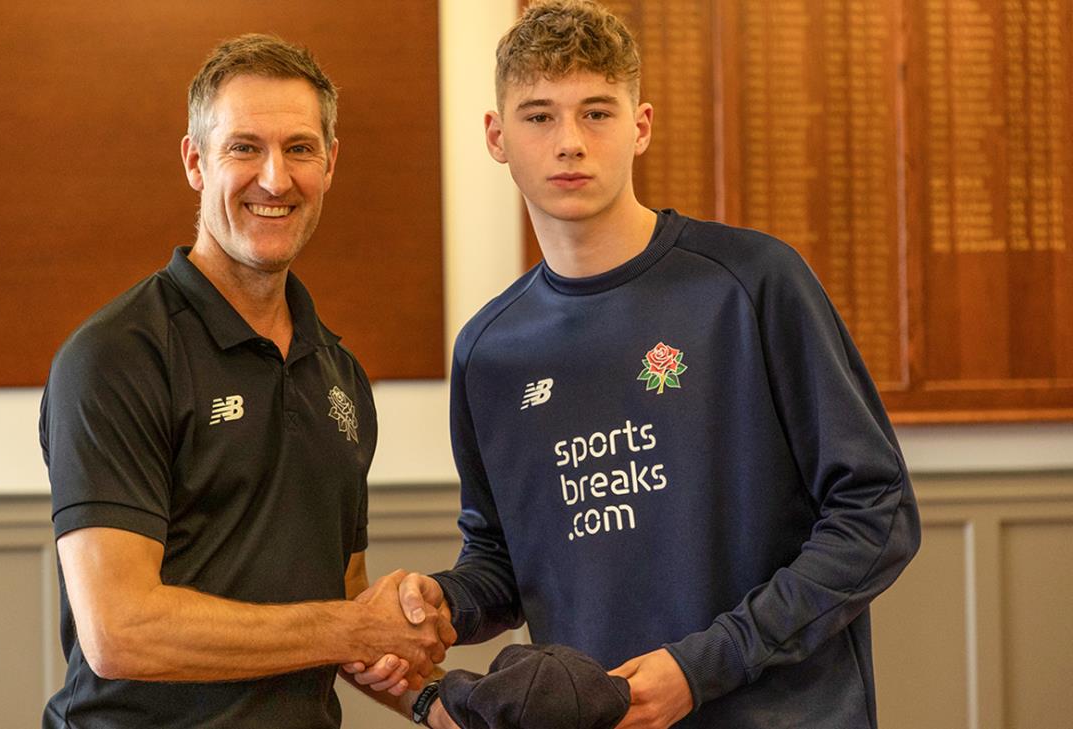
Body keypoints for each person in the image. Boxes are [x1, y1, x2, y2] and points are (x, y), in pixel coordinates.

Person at [350, 2, 921, 727]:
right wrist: (445, 603)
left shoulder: (753, 283)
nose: (569, 143)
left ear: (641, 125)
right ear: (496, 136)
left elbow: (877, 514)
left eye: (596, 113)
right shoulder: (489, 349)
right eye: (538, 116)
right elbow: (504, 558)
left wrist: (705, 664)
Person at [39, 34, 452, 729]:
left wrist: (437, 696)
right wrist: (355, 627)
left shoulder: (341, 375)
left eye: (299, 148)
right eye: (243, 148)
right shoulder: (116, 355)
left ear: (331, 162)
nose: (275, 178)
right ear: (195, 161)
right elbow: (120, 629)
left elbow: (341, 604)